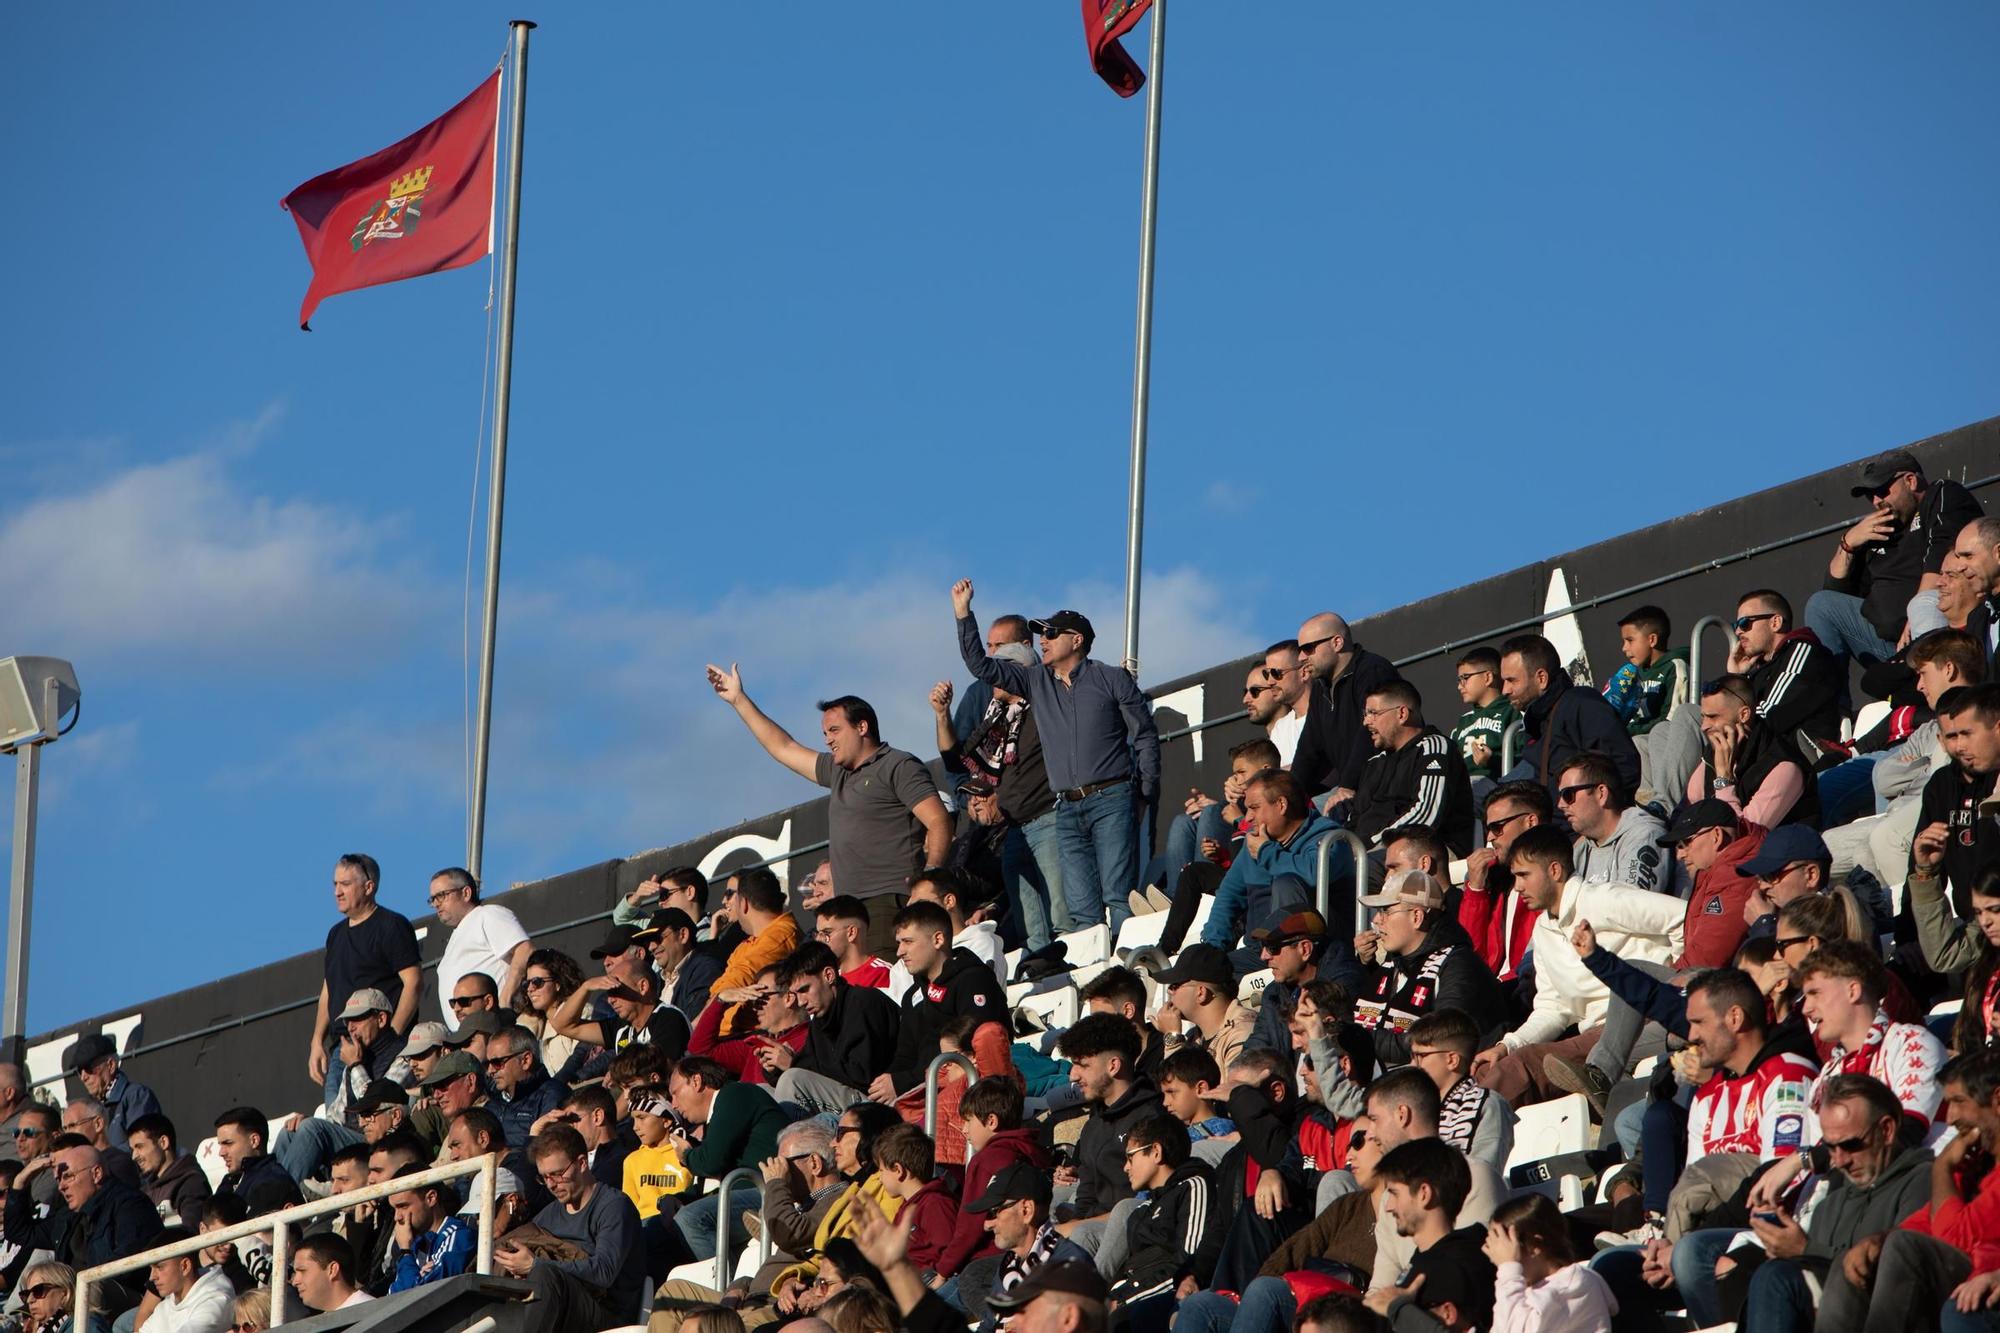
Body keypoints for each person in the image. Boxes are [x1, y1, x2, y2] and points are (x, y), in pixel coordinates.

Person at [952, 580, 1161, 933]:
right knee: (1081, 911)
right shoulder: (1036, 681)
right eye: (1041, 634)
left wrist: (1145, 793)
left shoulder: (1112, 678)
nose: (1043, 640)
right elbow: (981, 666)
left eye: (1051, 633)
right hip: (1065, 807)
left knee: (1117, 896)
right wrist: (963, 614)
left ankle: (1129, 975)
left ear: (1076, 640)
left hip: (1112, 798)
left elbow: (1144, 737)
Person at [706, 663, 951, 954]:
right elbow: (783, 747)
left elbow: (939, 821)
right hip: (847, 910)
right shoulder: (837, 772)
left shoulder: (898, 765)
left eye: (834, 730)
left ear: (862, 727)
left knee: (884, 988)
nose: (827, 739)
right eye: (824, 733)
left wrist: (929, 882)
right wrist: (739, 700)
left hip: (888, 902)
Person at [1470, 825, 1683, 1105]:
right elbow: (1553, 1009)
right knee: (1488, 1067)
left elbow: (1682, 917)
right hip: (1595, 1034)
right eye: (1514, 877)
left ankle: (1464, 1139)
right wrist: (1507, 1045)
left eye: (1524, 875)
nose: (1518, 886)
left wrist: (1676, 985)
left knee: (1518, 1068)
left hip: (1642, 1018)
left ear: (1554, 871)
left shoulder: (1602, 899)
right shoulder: (1543, 929)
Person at [1721, 1074, 1934, 1333]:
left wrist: (1805, 1248)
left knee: (1776, 1278)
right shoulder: (1831, 1202)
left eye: (1851, 1145)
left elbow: (1900, 1279)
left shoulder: (1924, 1182)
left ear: (1887, 1130)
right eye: (1831, 1148)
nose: (1840, 1160)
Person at [1815, 1049, 2000, 1333]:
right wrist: (1877, 1241)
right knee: (1854, 1260)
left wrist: (1941, 1169)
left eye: (1959, 1102)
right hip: (1966, 1279)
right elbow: (1927, 1221)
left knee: (1905, 1249)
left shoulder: (1948, 1168)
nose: (1950, 1118)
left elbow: (1954, 1237)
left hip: (1984, 1283)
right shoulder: (1974, 1163)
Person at [933, 647, 1065, 952]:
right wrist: (942, 715)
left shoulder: (1046, 710)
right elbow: (957, 761)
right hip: (1016, 827)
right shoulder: (998, 719)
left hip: (1048, 817)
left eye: (1001, 668)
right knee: (1029, 919)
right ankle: (1040, 965)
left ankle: (1071, 963)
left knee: (1059, 908)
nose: (994, 677)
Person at [1809, 448, 1985, 662]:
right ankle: (1835, 695)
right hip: (1888, 646)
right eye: (1869, 495)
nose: (1875, 501)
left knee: (1924, 606)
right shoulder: (1876, 531)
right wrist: (1848, 544)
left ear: (1910, 481)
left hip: (1937, 632)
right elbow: (1835, 596)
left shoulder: (1940, 494)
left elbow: (1942, 551)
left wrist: (1918, 613)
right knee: (1821, 605)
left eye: (1881, 491)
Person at [492, 1125, 645, 1333]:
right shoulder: (548, 1214)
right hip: (559, 1309)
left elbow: (603, 1272)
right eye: (544, 1177)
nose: (551, 1185)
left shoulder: (614, 1206)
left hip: (608, 1315)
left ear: (582, 1163)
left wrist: (534, 1265)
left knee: (544, 1273)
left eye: (557, 1174)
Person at [1353, 868, 1504, 1069]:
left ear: (1417, 917)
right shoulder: (1397, 960)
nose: (1376, 920)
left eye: (1386, 911)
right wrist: (1366, 966)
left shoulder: (1459, 966)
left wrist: (1355, 1039)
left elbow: (1437, 1041)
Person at [309, 853, 421, 1107]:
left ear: (369, 887)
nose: (337, 891)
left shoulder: (391, 925)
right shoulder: (335, 935)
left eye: (345, 884)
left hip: (380, 1047)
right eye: (335, 884)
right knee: (338, 1127)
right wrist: (317, 1040)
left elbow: (413, 983)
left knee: (377, 1115)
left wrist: (392, 1037)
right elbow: (329, 990)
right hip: (342, 1049)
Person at [1200, 769, 1344, 960]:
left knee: (1285, 883)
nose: (1248, 817)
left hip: (1315, 956)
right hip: (1259, 952)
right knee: (1197, 975)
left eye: (1255, 807)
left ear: (1281, 805)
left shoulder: (1329, 838)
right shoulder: (1256, 843)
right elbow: (1228, 896)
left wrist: (1266, 852)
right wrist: (1212, 949)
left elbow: (1313, 873)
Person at [5, 1143, 164, 1314]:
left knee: (88, 1290)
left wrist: (74, 1287)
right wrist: (20, 1181)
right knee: (37, 1299)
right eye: (58, 1180)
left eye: (68, 1176)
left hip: (128, 1297)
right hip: (77, 1296)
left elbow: (128, 1266)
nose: (61, 1186)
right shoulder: (67, 1216)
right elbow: (19, 1232)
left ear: (96, 1174)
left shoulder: (130, 1204)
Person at [1053, 1013, 1164, 1258]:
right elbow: (1085, 1197)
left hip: (1133, 1234)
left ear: (1113, 1066)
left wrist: (1074, 1228)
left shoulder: (1153, 1119)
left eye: (1082, 1065)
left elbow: (1146, 1203)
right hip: (1088, 1232)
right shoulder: (1094, 1125)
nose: (1072, 1075)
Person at [879, 900, 1010, 1102]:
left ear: (938, 939)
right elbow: (905, 1056)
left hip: (971, 1095)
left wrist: (902, 1083)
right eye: (899, 943)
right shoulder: (913, 994)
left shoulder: (973, 980)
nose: (899, 952)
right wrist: (888, 1084)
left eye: (908, 942)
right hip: (924, 1093)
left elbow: (972, 1050)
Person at [1362, 1137, 1497, 1331]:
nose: (1389, 1206)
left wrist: (1397, 1309)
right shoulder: (1432, 1259)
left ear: (1424, 1194)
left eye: (1394, 1193)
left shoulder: (1452, 1270)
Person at [1105, 1113, 1223, 1333]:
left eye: (1130, 1157)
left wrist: (1123, 1300)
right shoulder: (1144, 1209)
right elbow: (1132, 1268)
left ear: (1156, 1152)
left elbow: (1187, 1263)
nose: (1125, 1168)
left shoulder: (1195, 1187)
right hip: (1132, 1295)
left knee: (1123, 1320)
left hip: (1166, 1299)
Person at [666, 1057, 790, 1260]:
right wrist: (678, 1199)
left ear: (696, 1081)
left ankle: (726, 1289)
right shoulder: (716, 1114)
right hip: (740, 1192)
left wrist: (687, 1155)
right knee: (651, 1230)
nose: (674, 1105)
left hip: (768, 1191)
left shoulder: (734, 1095)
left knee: (690, 1219)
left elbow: (710, 1162)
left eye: (675, 1093)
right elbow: (713, 1176)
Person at [1497, 632, 1640, 805]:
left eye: (1512, 680)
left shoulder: (1581, 704)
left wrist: (1598, 826)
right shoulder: (1536, 721)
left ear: (1541, 678)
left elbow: (1624, 767)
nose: (1505, 690)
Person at [768, 941, 902, 1113]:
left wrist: (793, 1064)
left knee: (792, 1079)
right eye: (795, 994)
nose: (801, 1002)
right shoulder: (820, 1018)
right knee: (761, 1091)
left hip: (876, 1108)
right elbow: (809, 1064)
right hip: (848, 1099)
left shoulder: (864, 1003)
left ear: (829, 975)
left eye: (804, 990)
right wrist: (775, 1067)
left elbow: (861, 1075)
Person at [1290, 611, 1404, 807]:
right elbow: (1308, 750)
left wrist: (1348, 786)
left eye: (1308, 648)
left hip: (1386, 787)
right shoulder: (1321, 687)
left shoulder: (1373, 671)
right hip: (1352, 789)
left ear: (1337, 643)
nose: (1301, 657)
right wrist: (1288, 795)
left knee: (1318, 818)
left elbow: (1371, 732)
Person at [1350, 680, 1474, 854]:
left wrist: (1365, 847)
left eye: (1373, 713)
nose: (1366, 722)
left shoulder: (1434, 748)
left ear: (1402, 714)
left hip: (1426, 852)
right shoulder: (1375, 763)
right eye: (1365, 713)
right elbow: (1355, 818)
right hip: (1369, 854)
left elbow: (1426, 814)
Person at [1909, 682, 2000, 920]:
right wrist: (1909, 937)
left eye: (1966, 734)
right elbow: (1923, 864)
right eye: (1952, 736)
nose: (1960, 746)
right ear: (1939, 739)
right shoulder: (1940, 786)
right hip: (1974, 929)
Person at [1689, 673, 1822, 829]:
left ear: (1743, 715)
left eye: (1713, 717)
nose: (1704, 726)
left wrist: (1724, 781)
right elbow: (1690, 807)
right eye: (1703, 717)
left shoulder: (1783, 767)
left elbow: (1745, 835)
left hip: (1776, 851)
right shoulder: (1718, 749)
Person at [1455, 780, 1554, 985]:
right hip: (1494, 990)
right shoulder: (1495, 879)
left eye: (1497, 827)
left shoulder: (1553, 876)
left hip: (1526, 991)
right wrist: (1475, 890)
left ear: (1531, 822)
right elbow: (1472, 958)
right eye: (1487, 828)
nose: (1490, 837)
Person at [1481, 1193, 1617, 1333]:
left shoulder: (1572, 1286)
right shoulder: (1523, 1288)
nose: (1497, 1260)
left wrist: (1508, 1268)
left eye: (1505, 1247)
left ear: (1535, 1245)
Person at [1403, 1009, 1512, 1175]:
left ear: (1452, 1060)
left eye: (1420, 1056)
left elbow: (1481, 1175)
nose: (1412, 1065)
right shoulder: (1417, 1107)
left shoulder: (1487, 1104)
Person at [429, 866, 532, 1022]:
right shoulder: (455, 937)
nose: (436, 903)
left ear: (466, 893)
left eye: (442, 895)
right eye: (433, 899)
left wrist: (505, 999)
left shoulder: (487, 914)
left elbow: (525, 951)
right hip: (468, 1037)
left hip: (496, 1026)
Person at [1560, 752, 1668, 892]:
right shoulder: (1580, 848)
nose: (1560, 804)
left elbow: (1629, 907)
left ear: (1601, 794)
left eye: (1568, 794)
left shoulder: (1645, 836)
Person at [1151, 943, 1258, 1079]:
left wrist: (1172, 1039)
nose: (1169, 991)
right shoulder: (1194, 1038)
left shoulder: (1244, 1034)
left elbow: (1186, 1094)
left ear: (1201, 993)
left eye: (1175, 985)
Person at [869, 1125, 958, 1278]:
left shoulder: (935, 1204)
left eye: (881, 1170)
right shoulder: (908, 1206)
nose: (879, 1177)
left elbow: (949, 1250)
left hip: (925, 1281)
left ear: (898, 1170)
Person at [1602, 604, 1689, 742]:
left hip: (1664, 743)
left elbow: (1671, 719)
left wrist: (1628, 731)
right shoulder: (1633, 673)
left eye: (1630, 640)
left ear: (1652, 640)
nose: (1624, 648)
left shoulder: (1675, 666)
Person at [61, 1035, 161, 1153]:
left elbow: (141, 1147)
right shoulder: (92, 1107)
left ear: (111, 1065)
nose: (83, 1077)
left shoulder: (136, 1096)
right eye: (79, 1071)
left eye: (89, 1068)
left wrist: (101, 1160)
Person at [384, 1164, 474, 1291]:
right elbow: (393, 1295)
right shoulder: (415, 1244)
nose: (397, 1217)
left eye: (403, 1206)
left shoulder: (458, 1236)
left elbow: (419, 1297)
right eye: (394, 1209)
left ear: (431, 1198)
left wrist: (405, 1253)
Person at [636, 907, 727, 1022]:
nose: (651, 947)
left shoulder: (705, 970)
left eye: (658, 938)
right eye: (648, 941)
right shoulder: (657, 981)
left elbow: (689, 1027)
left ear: (683, 935)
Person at [488, 1024, 571, 1149]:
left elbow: (549, 1152)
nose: (490, 1070)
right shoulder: (491, 1104)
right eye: (487, 1063)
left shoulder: (553, 1096)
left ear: (525, 1060)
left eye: (497, 1063)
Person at [1449, 647, 1519, 792]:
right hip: (1465, 787)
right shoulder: (1463, 722)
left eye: (1465, 678)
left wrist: (1491, 760)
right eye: (1459, 679)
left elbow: (1528, 759)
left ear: (1487, 677)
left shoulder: (1512, 712)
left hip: (1499, 786)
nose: (1459, 686)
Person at [126, 1113, 211, 1230]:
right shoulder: (144, 1192)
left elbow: (192, 1235)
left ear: (163, 1142)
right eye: (132, 1149)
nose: (134, 1156)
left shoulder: (191, 1183)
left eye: (139, 1146)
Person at [211, 1108, 301, 1210]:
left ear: (254, 1141)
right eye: (221, 1145)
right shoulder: (229, 1181)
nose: (221, 1153)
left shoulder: (272, 1184)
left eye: (228, 1143)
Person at [814, 895, 895, 991]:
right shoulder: (828, 978)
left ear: (851, 933)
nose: (819, 940)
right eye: (818, 934)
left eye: (827, 933)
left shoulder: (883, 974)